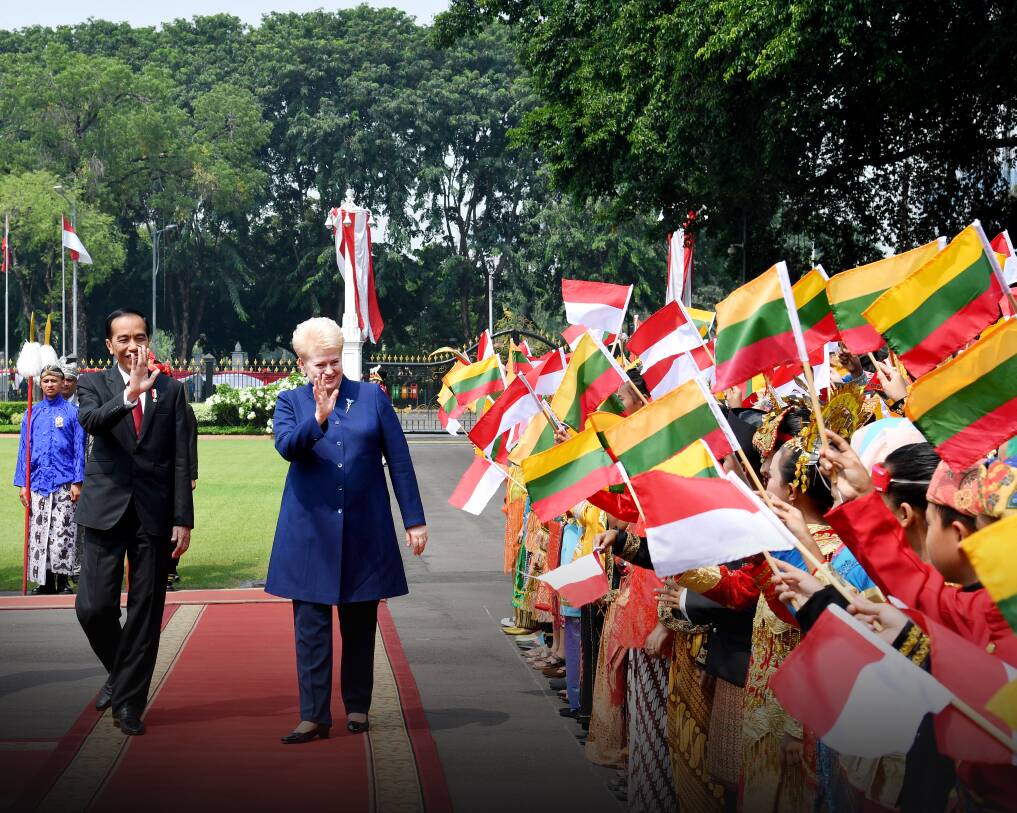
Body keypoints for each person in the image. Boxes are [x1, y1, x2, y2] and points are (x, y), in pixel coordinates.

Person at [266, 317, 427, 743]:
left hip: (364, 529)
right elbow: (287, 448)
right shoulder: (290, 402)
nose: (328, 371)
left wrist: (414, 519)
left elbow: (400, 462)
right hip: (310, 534)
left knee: (359, 624)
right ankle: (313, 714)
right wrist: (317, 417)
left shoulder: (372, 397)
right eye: (319, 364)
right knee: (312, 627)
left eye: (334, 362)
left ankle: (358, 705)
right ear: (302, 364)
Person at [74, 308, 194, 737]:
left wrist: (183, 518)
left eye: (139, 337)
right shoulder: (92, 384)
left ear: (149, 341)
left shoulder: (172, 391)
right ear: (109, 345)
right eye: (123, 339)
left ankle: (129, 705)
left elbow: (182, 458)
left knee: (145, 612)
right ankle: (122, 673)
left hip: (154, 515)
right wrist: (129, 395)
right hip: (104, 511)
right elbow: (91, 422)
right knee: (92, 607)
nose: (132, 346)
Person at [14, 364, 85, 594]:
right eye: (46, 381)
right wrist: (23, 485)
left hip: (64, 482)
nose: (50, 385)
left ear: (63, 382)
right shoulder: (31, 413)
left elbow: (79, 450)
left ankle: (62, 581)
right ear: (40, 383)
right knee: (40, 532)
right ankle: (43, 582)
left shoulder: (73, 413)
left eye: (55, 381)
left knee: (62, 532)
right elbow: (24, 450)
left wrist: (77, 482)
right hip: (38, 483)